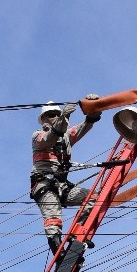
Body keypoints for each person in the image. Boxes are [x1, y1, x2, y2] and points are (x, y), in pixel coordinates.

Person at [30, 97, 101, 252]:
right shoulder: (38, 136)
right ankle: (58, 252)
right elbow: (50, 138)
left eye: (57, 113)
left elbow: (83, 127)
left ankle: (78, 232)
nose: (54, 116)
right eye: (51, 114)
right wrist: (64, 117)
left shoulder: (66, 136)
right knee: (53, 219)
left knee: (94, 198)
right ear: (43, 120)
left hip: (62, 186)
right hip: (44, 186)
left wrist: (94, 112)